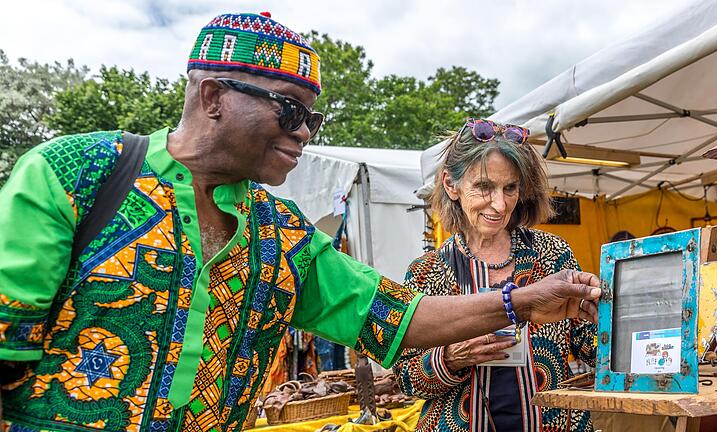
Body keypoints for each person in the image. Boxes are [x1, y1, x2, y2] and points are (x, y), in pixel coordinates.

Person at [0, 14, 600, 432]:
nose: (306, 131)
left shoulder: (281, 234)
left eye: (313, 114)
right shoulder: (76, 175)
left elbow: (398, 318)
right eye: (289, 109)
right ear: (212, 96)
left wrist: (523, 300)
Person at [393, 119, 597, 432]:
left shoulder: (551, 254)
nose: (500, 205)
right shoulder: (428, 272)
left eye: (510, 188)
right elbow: (405, 377)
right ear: (451, 185)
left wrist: (609, 313)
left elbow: (590, 345)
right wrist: (451, 357)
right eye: (484, 187)